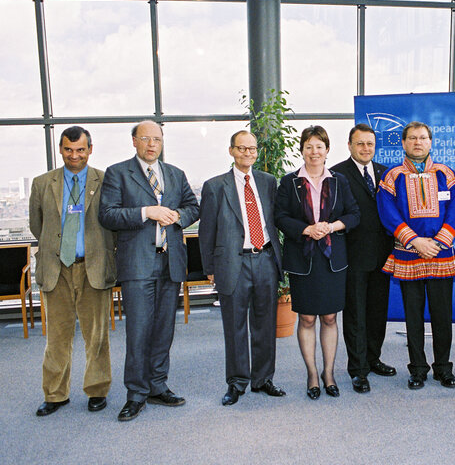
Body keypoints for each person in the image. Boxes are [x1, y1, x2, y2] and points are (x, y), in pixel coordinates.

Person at [99, 120, 199, 421]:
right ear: (134, 141)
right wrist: (147, 212)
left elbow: (194, 206)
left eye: (157, 138)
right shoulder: (118, 173)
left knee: (163, 330)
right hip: (138, 264)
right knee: (139, 331)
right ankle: (136, 393)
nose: (152, 144)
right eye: (146, 138)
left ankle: (157, 386)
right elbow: (107, 214)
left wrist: (178, 215)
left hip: (170, 263)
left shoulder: (175, 174)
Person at [29, 126, 116, 416]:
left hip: (93, 268)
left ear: (90, 149)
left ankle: (97, 390)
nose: (74, 156)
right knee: (57, 337)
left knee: (97, 336)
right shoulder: (43, 183)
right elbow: (37, 226)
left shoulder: (106, 181)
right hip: (57, 269)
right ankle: (55, 394)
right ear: (60, 149)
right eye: (68, 149)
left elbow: (113, 223)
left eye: (80, 150)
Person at [198, 131, 286, 406]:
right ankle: (236, 383)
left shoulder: (268, 182)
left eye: (252, 148)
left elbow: (276, 219)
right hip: (232, 263)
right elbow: (206, 231)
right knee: (234, 326)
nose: (248, 153)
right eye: (242, 148)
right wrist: (209, 267)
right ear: (231, 151)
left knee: (265, 324)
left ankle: (263, 379)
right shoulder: (215, 186)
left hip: (265, 260)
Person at [377, 121, 455, 390]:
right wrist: (415, 241)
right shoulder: (392, 177)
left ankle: (444, 368)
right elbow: (387, 213)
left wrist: (437, 243)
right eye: (412, 138)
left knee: (442, 315)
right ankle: (417, 368)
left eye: (423, 138)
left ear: (430, 142)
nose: (418, 142)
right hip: (408, 254)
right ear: (403, 143)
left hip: (441, 254)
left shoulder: (446, 174)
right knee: (412, 317)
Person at [275, 126, 360, 400]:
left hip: (333, 258)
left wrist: (332, 226)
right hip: (303, 258)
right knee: (308, 317)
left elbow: (354, 214)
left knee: (331, 317)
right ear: (302, 149)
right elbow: (281, 216)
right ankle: (312, 373)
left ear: (327, 150)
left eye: (319, 146)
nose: (314, 152)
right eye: (309, 146)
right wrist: (306, 229)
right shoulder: (289, 182)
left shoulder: (339, 181)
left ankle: (329, 373)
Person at [330, 124, 396, 394]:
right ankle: (358, 370)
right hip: (353, 255)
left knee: (378, 311)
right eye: (360, 144)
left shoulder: (386, 173)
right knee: (356, 314)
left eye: (370, 144)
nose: (365, 148)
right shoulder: (336, 174)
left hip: (384, 255)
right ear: (349, 145)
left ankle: (373, 358)